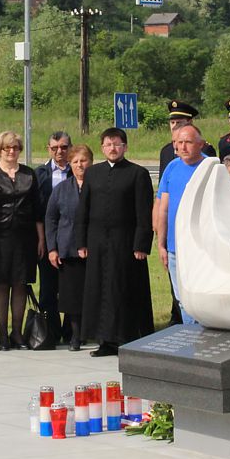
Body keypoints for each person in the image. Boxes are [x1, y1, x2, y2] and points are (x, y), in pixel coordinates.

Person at [79, 127, 154, 357]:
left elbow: (144, 212)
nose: (113, 148)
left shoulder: (137, 174)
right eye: (108, 144)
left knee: (123, 288)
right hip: (97, 242)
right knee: (101, 289)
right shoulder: (92, 173)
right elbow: (83, 209)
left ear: (125, 147)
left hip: (126, 243)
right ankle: (105, 341)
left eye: (117, 144)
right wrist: (82, 242)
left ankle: (127, 339)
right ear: (102, 148)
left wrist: (141, 244)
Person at [0, 130, 42, 351]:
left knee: (21, 283)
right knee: (2, 283)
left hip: (26, 236)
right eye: (7, 148)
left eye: (15, 147)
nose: (11, 151)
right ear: (0, 150)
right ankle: (2, 334)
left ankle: (17, 333)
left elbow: (37, 210)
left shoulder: (29, 174)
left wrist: (41, 239)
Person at [155, 124, 209, 325]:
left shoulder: (210, 167)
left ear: (201, 144)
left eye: (188, 142)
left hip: (200, 246)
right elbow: (164, 208)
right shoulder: (172, 167)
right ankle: (191, 336)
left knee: (201, 297)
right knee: (182, 300)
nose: (183, 147)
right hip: (174, 247)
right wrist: (161, 244)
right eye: (179, 142)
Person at [46, 144, 93, 350]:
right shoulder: (61, 189)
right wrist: (52, 248)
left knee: (92, 293)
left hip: (93, 249)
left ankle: (92, 332)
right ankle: (75, 335)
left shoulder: (98, 187)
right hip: (68, 249)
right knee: (71, 296)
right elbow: (51, 219)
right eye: (75, 161)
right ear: (70, 164)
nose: (79, 165)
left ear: (91, 162)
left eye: (83, 160)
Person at [34, 130, 72, 343]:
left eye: (64, 147)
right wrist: (42, 241)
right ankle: (50, 332)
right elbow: (37, 210)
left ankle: (72, 332)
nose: (60, 151)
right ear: (48, 149)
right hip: (47, 237)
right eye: (55, 148)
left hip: (72, 237)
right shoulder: (39, 174)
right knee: (48, 288)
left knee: (72, 286)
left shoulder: (78, 170)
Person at [158, 101, 215, 174]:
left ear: (190, 122)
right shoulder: (166, 151)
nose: (174, 126)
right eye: (172, 122)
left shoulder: (203, 149)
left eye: (179, 122)